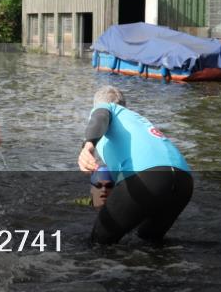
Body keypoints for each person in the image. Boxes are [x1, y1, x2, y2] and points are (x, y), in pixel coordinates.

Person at [78, 86, 193, 245]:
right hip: (184, 180)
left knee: (99, 243)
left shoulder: (107, 109)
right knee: (148, 241)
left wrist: (88, 145)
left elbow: (100, 115)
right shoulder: (137, 120)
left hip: (149, 176)